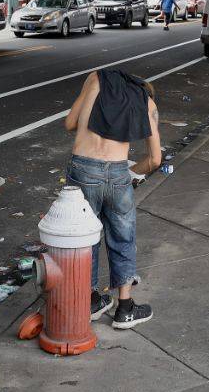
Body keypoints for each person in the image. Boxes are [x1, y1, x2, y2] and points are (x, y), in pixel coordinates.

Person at [64, 69, 162, 328]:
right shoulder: (146, 102)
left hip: (83, 168)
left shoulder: (96, 78)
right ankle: (126, 309)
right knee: (123, 237)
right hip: (118, 173)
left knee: (85, 238)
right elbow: (154, 160)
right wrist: (128, 173)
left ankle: (89, 300)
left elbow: (70, 123)